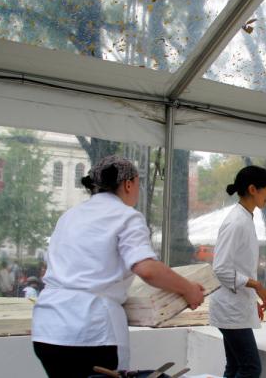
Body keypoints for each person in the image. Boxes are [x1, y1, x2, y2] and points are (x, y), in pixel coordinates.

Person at [31, 155, 205, 377]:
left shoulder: (69, 216)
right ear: (128, 184)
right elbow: (147, 269)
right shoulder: (125, 216)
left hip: (48, 330)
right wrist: (189, 289)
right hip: (89, 331)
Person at [210, 165, 266, 378]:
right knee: (250, 368)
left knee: (236, 366)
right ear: (253, 189)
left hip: (234, 305)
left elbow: (238, 267)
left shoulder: (245, 218)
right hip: (229, 309)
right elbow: (221, 269)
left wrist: (250, 300)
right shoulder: (237, 222)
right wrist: (256, 286)